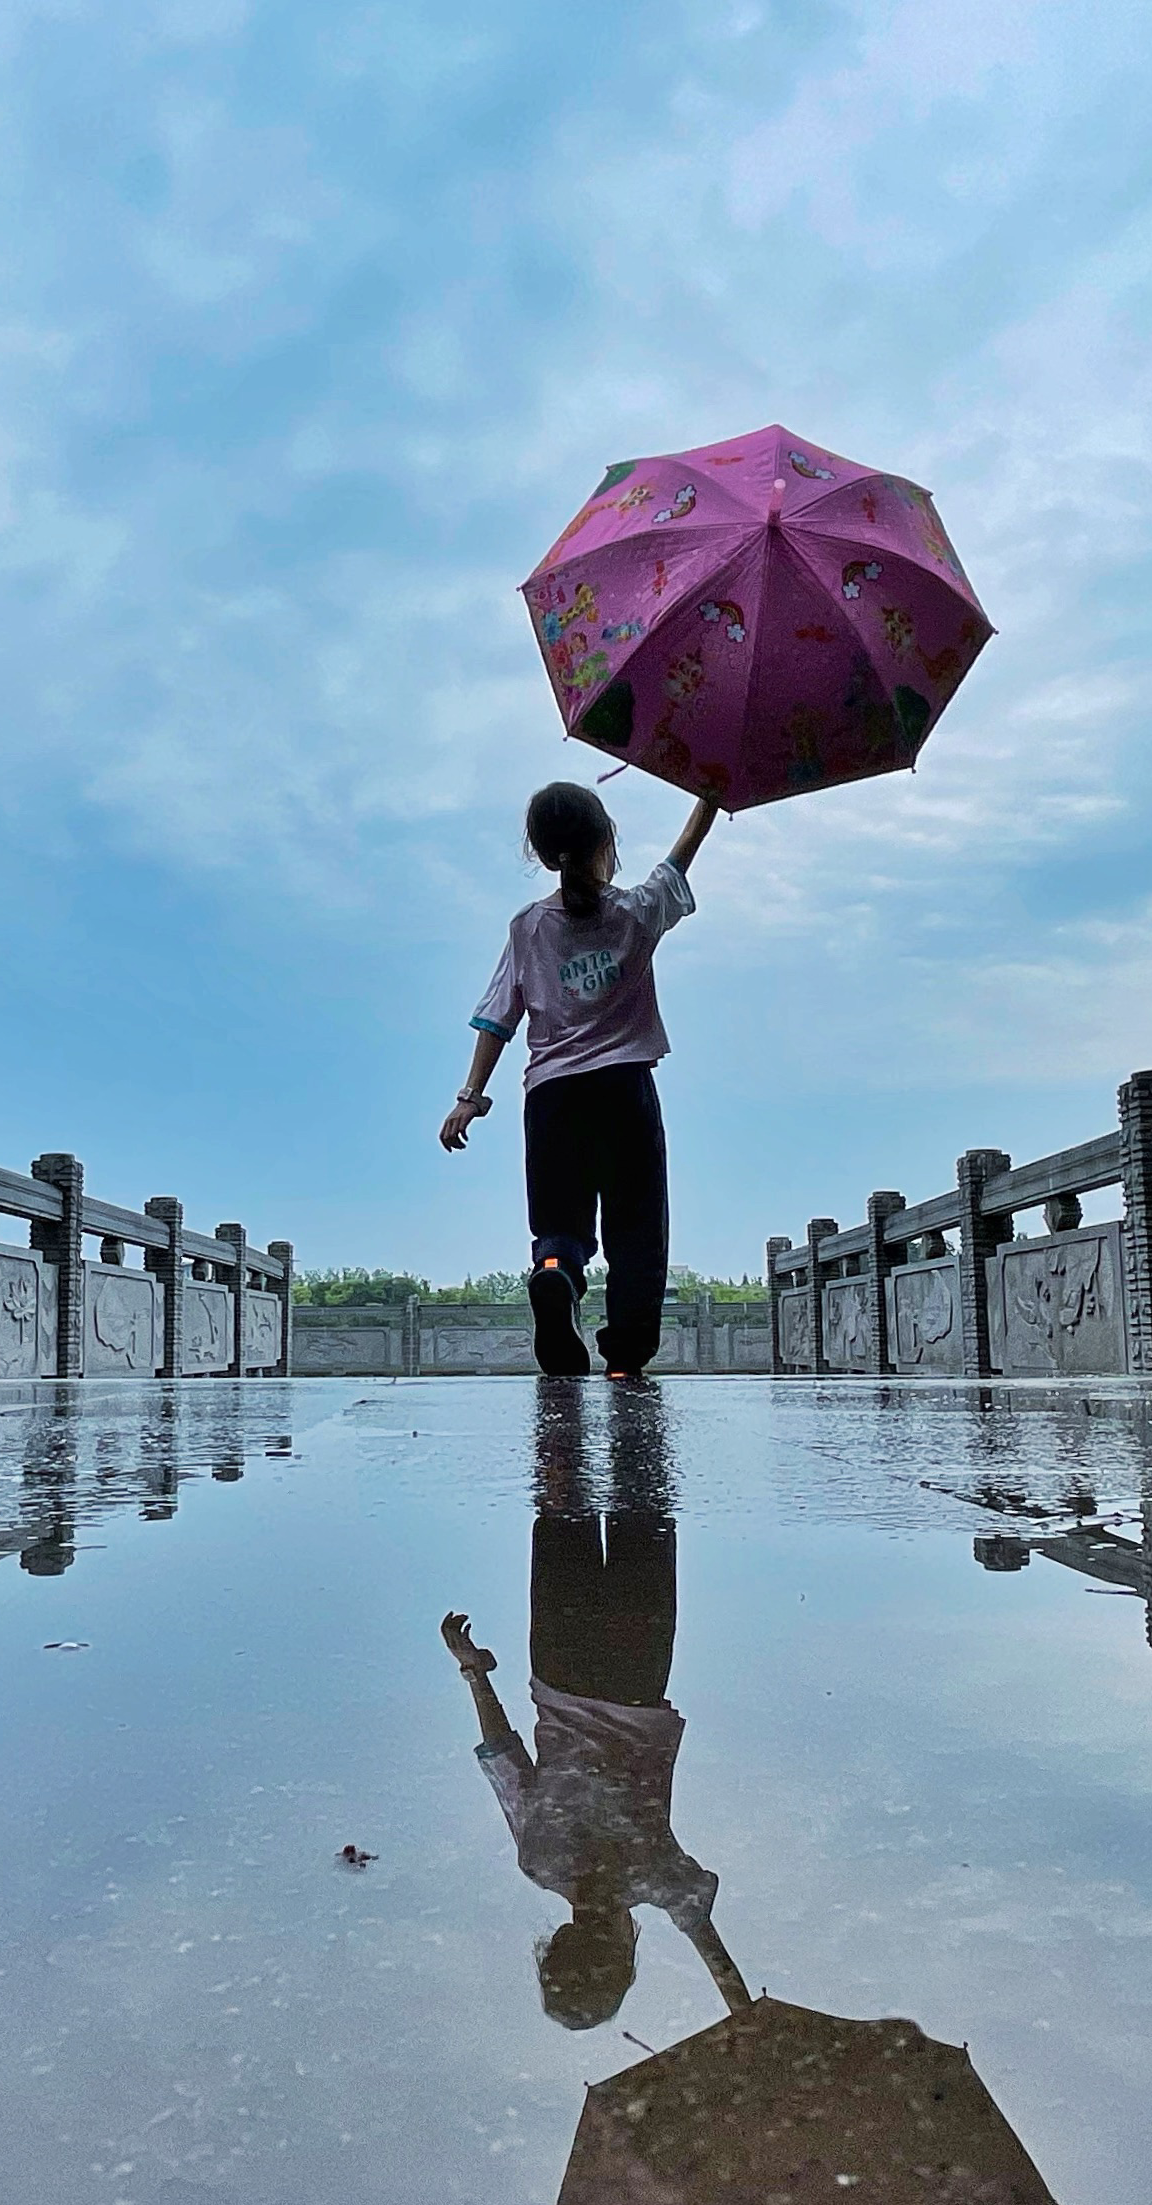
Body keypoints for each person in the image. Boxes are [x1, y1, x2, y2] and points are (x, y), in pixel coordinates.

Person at [443, 1385, 746, 2029]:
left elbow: (724, 1973)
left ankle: (625, 1386)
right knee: (565, 1514)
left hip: (634, 1671)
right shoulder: (548, 1862)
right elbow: (505, 1756)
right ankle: (576, 1388)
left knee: (638, 1510)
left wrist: (753, 2028)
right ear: (558, 1947)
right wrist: (471, 1671)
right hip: (564, 1666)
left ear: (626, 1955)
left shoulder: (659, 1881)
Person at [440, 781, 722, 1378]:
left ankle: (557, 1277)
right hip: (624, 1092)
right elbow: (682, 855)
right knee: (636, 1228)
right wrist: (709, 797)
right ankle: (625, 1357)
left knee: (559, 1223)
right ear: (606, 844)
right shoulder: (637, 912)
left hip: (552, 1099)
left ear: (544, 856)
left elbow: (496, 1018)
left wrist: (470, 1097)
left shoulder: (528, 928)